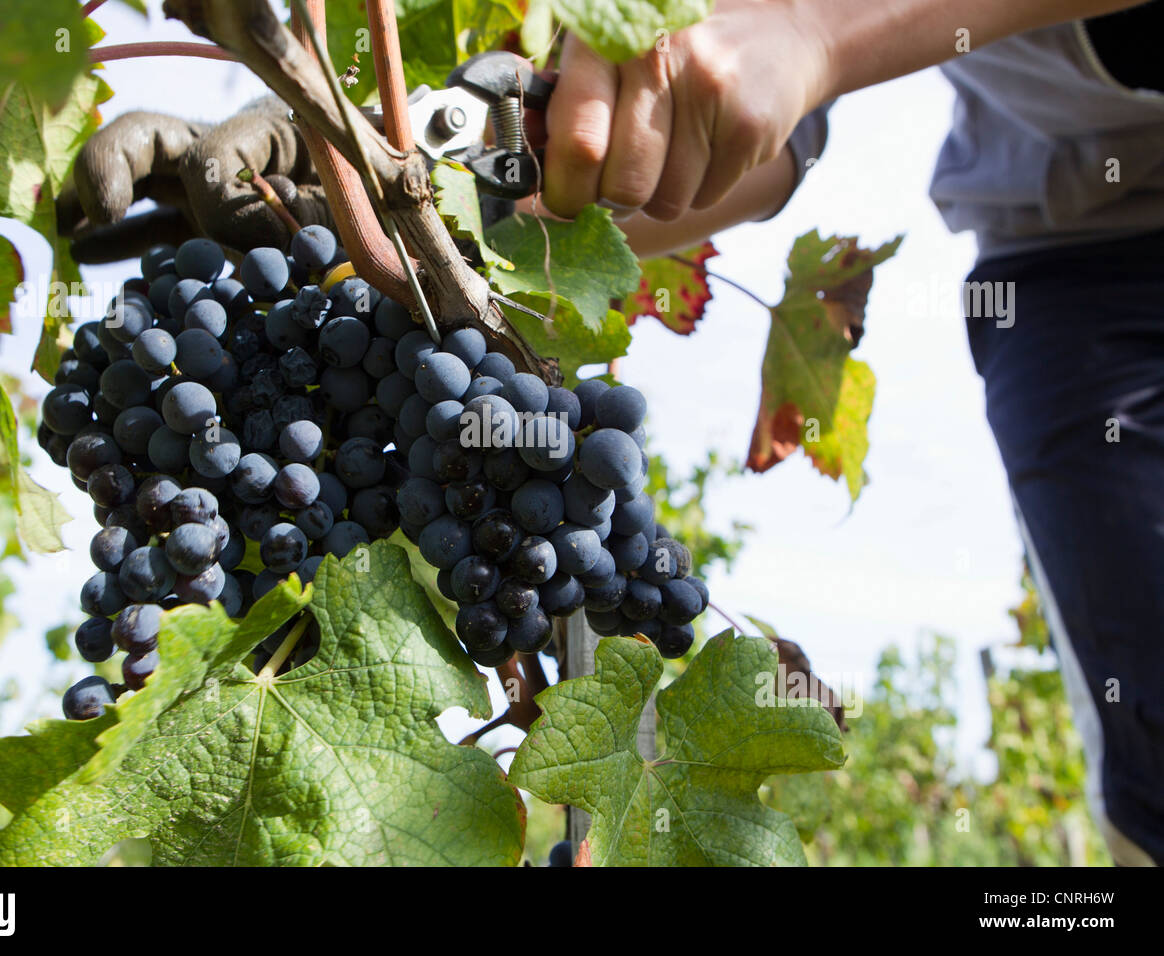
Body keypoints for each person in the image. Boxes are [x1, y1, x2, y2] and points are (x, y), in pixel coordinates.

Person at [60, 0, 1164, 865]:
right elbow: (732, 129)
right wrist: (395, 196)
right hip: (1083, 251)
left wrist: (814, 29)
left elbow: (790, 41)